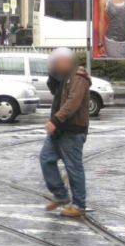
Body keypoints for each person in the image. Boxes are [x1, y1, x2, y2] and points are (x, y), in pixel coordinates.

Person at [39, 47, 91, 218]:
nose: (55, 65)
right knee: (46, 159)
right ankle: (61, 195)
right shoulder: (64, 78)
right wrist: (53, 77)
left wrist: (55, 120)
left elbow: (72, 103)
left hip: (72, 130)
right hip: (60, 129)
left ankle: (79, 205)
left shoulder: (78, 77)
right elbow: (57, 95)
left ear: (68, 62)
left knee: (73, 168)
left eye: (58, 62)